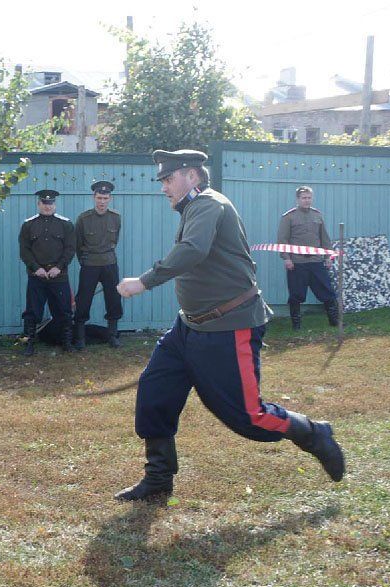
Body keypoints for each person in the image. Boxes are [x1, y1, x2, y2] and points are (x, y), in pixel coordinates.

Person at [113, 150, 346, 502]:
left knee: (249, 416)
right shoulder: (194, 208)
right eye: (162, 180)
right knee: (155, 391)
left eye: (168, 179)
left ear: (192, 175)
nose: (164, 187)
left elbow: (192, 250)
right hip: (188, 327)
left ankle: (313, 433)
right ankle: (158, 479)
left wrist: (144, 282)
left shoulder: (209, 204)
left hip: (228, 328)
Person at [19, 189, 76, 356]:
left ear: (55, 205)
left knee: (64, 311)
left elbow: (70, 249)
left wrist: (59, 267)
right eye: (44, 203)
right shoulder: (28, 225)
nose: (47, 206)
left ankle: (66, 343)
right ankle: (29, 344)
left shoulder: (66, 224)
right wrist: (36, 268)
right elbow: (24, 251)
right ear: (39, 204)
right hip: (37, 275)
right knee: (32, 311)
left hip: (59, 275)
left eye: (50, 203)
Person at [277, 186, 339, 330]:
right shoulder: (289, 217)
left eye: (309, 198)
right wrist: (286, 258)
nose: (307, 200)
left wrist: (328, 256)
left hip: (316, 261)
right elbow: (282, 240)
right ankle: (296, 325)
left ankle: (334, 321)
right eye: (304, 198)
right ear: (298, 199)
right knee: (296, 294)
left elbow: (324, 238)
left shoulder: (317, 215)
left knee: (327, 291)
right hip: (297, 263)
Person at [73, 180, 123, 349]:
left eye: (105, 198)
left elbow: (115, 240)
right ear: (94, 197)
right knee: (83, 299)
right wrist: (85, 261)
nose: (102, 202)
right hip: (90, 264)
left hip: (109, 263)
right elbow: (78, 244)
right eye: (99, 198)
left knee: (113, 298)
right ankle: (80, 337)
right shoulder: (84, 218)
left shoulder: (115, 217)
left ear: (110, 199)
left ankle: (112, 335)